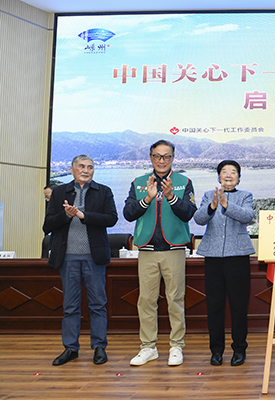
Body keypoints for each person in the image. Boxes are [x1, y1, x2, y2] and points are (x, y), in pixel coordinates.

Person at [124, 140, 196, 367]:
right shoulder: (138, 183)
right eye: (157, 156)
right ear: (151, 158)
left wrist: (171, 196)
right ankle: (148, 347)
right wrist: (147, 198)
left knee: (175, 299)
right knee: (146, 300)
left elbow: (188, 213)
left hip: (174, 248)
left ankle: (176, 346)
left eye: (166, 156)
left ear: (173, 158)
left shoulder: (184, 182)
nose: (162, 160)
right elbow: (128, 213)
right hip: (146, 249)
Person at [43, 155, 118, 366]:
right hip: (67, 258)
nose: (86, 170)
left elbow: (111, 219)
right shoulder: (59, 192)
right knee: (70, 306)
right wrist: (66, 216)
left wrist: (84, 216)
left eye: (90, 167)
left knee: (98, 304)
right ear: (72, 169)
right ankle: (70, 348)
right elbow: (47, 225)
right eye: (82, 166)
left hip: (94, 257)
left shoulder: (104, 191)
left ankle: (99, 347)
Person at [193, 160, 254, 367]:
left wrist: (226, 205)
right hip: (213, 258)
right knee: (214, 306)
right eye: (224, 172)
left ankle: (239, 349)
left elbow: (248, 216)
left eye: (233, 172)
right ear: (219, 176)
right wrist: (212, 206)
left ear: (239, 177)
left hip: (238, 257)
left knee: (239, 306)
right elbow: (199, 219)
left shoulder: (245, 196)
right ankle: (216, 350)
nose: (228, 175)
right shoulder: (208, 195)